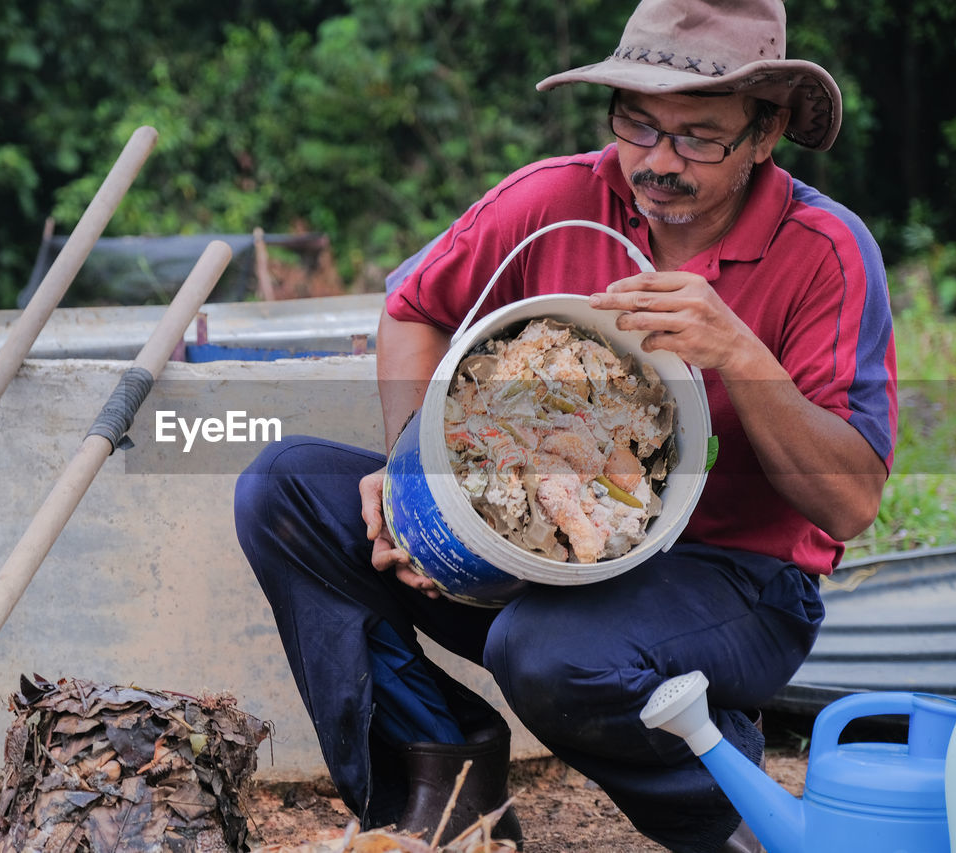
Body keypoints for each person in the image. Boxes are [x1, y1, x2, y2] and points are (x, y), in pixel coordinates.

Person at [234, 0, 897, 850]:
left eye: (700, 136)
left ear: (765, 134)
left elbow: (850, 507)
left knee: (545, 651)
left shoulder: (826, 251)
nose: (659, 162)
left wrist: (738, 351)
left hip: (738, 583)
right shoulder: (555, 199)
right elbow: (412, 308)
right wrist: (411, 465)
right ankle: (446, 776)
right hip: (539, 549)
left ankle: (725, 809)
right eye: (639, 123)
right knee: (283, 492)